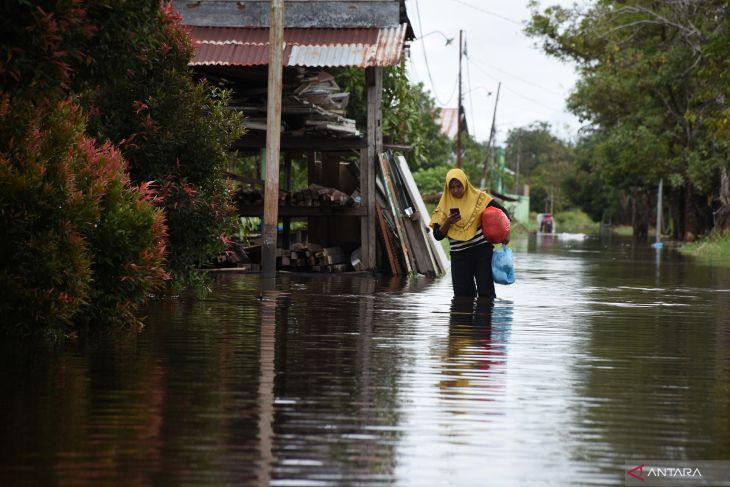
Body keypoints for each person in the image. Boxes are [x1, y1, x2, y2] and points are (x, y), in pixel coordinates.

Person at [429, 168, 511, 298]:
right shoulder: (442, 207)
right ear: (447, 188)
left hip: (482, 253)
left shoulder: (480, 198)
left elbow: (503, 212)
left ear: (465, 184)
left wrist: (506, 233)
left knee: (486, 294)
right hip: (459, 256)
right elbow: (437, 235)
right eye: (452, 187)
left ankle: (484, 318)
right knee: (462, 297)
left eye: (459, 186)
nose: (456, 190)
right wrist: (448, 222)